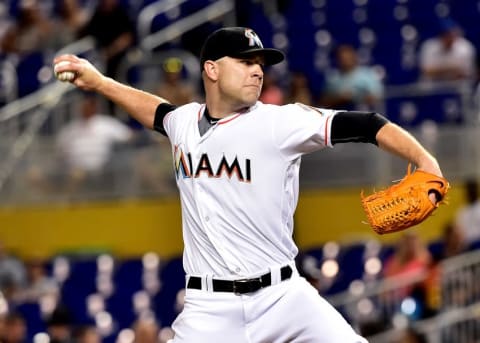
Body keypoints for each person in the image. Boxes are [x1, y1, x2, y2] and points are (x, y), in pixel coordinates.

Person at [53, 26, 444, 342]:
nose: (257, 70)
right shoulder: (184, 123)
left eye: (260, 63)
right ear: (211, 69)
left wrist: (426, 162)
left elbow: (369, 124)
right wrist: (102, 82)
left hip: (284, 297)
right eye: (244, 62)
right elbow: (158, 112)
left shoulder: (279, 122)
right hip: (209, 308)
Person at [319, 44, 384, 111]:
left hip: (364, 115)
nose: (345, 61)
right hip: (340, 116)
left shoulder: (368, 74)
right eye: (342, 58)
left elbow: (376, 97)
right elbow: (323, 102)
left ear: (354, 57)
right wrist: (340, 98)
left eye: (348, 57)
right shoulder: (332, 77)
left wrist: (357, 97)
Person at [454, 178, 480, 246]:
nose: (471, 192)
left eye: (473, 189)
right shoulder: (462, 211)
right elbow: (458, 231)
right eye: (469, 190)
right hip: (466, 245)